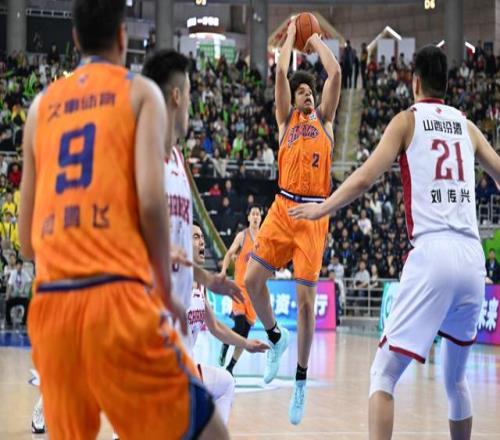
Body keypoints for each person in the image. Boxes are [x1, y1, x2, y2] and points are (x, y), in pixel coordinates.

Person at [19, 1, 229, 438]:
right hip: (115, 299)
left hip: (52, 310)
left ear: (74, 39)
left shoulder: (39, 108)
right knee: (209, 430)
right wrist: (163, 291)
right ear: (122, 37)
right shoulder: (140, 94)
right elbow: (151, 206)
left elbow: (25, 241)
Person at [290, 45, 500, 440]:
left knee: (383, 374)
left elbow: (364, 178)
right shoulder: (468, 126)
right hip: (473, 260)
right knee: (456, 380)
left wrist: (322, 208)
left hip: (433, 252)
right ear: (446, 84)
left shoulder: (407, 121)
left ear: (415, 82)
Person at [244, 18, 341, 425]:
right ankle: (275, 337)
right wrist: (287, 39)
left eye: (309, 92)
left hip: (313, 215)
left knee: (304, 305)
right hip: (283, 209)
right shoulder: (285, 123)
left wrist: (313, 38)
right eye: (301, 91)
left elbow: (335, 72)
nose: (306, 95)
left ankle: (299, 381)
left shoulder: (326, 122)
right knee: (251, 281)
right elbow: (281, 72)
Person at [190, 223, 268, 423]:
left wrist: (246, 344)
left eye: (202, 237)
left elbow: (215, 327)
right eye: (195, 237)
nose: (202, 241)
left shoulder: (200, 286)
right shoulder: (173, 279)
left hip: (185, 370)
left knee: (226, 383)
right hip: (162, 371)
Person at [219, 205, 263, 375]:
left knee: (244, 334)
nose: (255, 216)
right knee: (239, 326)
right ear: (249, 217)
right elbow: (229, 253)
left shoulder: (264, 238)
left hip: (254, 292)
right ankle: (225, 343)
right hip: (239, 288)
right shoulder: (242, 236)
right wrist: (223, 271)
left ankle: (230, 368)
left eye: (258, 214)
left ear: (261, 218)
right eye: (253, 213)